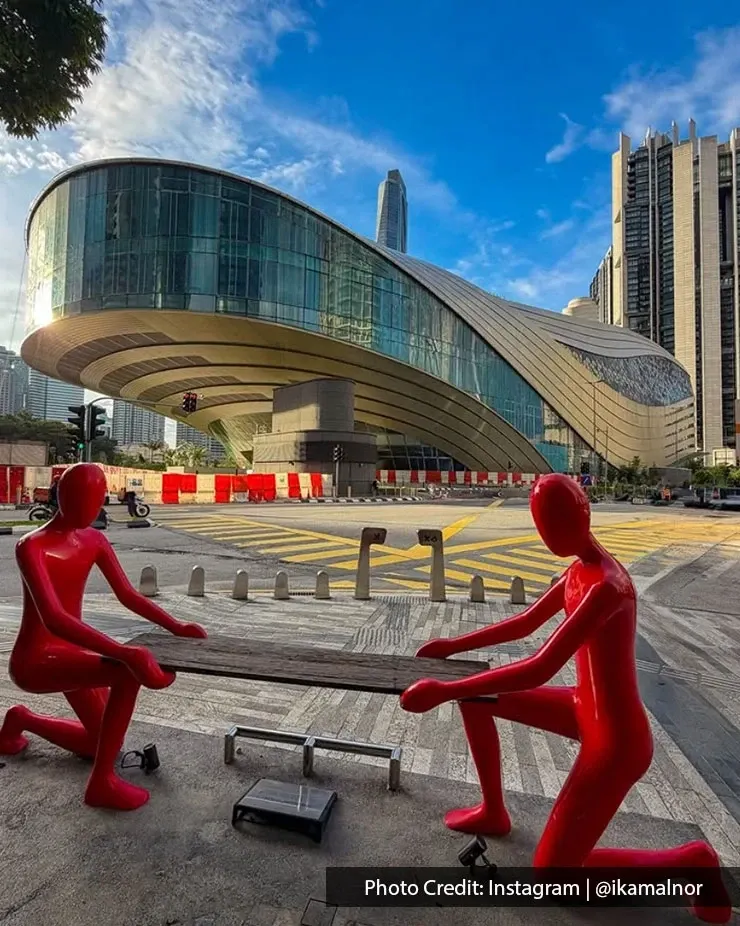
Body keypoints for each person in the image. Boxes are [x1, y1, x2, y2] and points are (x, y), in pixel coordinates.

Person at [401, 473, 730, 924]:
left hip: (615, 741)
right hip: (581, 705)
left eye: (555, 523)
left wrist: (446, 688)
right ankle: (494, 811)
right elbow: (525, 623)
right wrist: (453, 646)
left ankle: (691, 863)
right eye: (541, 525)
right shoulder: (576, 572)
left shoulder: (607, 585)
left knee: (555, 876)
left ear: (583, 515)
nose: (548, 536)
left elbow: (540, 665)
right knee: (479, 699)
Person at [0, 463, 206, 811]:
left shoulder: (93, 539)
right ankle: (102, 783)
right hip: (37, 660)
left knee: (99, 742)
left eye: (95, 501)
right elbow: (54, 619)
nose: (87, 509)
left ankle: (20, 720)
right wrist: (123, 653)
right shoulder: (31, 546)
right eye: (77, 499)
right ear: (59, 497)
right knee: (124, 673)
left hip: (72, 655)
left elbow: (128, 595)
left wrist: (176, 626)